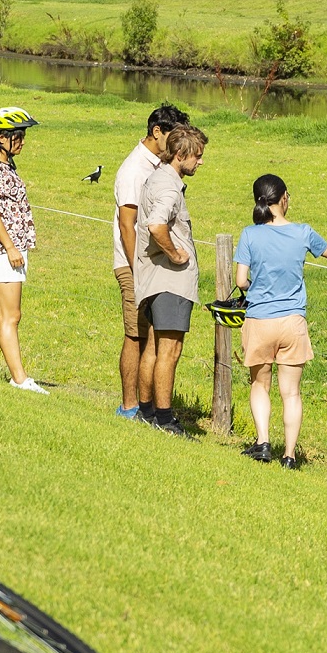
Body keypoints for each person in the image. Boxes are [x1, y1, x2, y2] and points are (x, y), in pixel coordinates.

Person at [233, 173, 327, 468]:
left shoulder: (249, 234)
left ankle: (262, 442)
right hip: (293, 323)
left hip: (260, 320)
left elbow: (241, 280)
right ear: (285, 197)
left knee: (259, 385)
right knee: (291, 392)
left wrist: (254, 287)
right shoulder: (302, 232)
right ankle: (289, 456)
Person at [109, 103, 190, 419]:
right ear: (157, 132)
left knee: (154, 335)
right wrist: (136, 269)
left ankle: (150, 407)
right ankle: (130, 406)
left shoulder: (159, 165)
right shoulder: (134, 170)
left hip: (153, 268)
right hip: (135, 265)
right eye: (173, 137)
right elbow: (126, 224)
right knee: (135, 334)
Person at [132, 123, 208, 433]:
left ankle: (147, 412)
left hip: (154, 280)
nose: (200, 162)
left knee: (153, 345)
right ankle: (164, 419)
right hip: (169, 282)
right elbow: (156, 225)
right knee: (169, 350)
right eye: (197, 156)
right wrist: (176, 254)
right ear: (180, 154)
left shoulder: (158, 178)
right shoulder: (168, 187)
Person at [0, 108, 45, 392]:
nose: (23, 141)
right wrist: (11, 247)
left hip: (3, 249)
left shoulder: (4, 166)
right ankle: (20, 379)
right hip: (3, 251)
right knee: (11, 316)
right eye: (19, 136)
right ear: (2, 138)